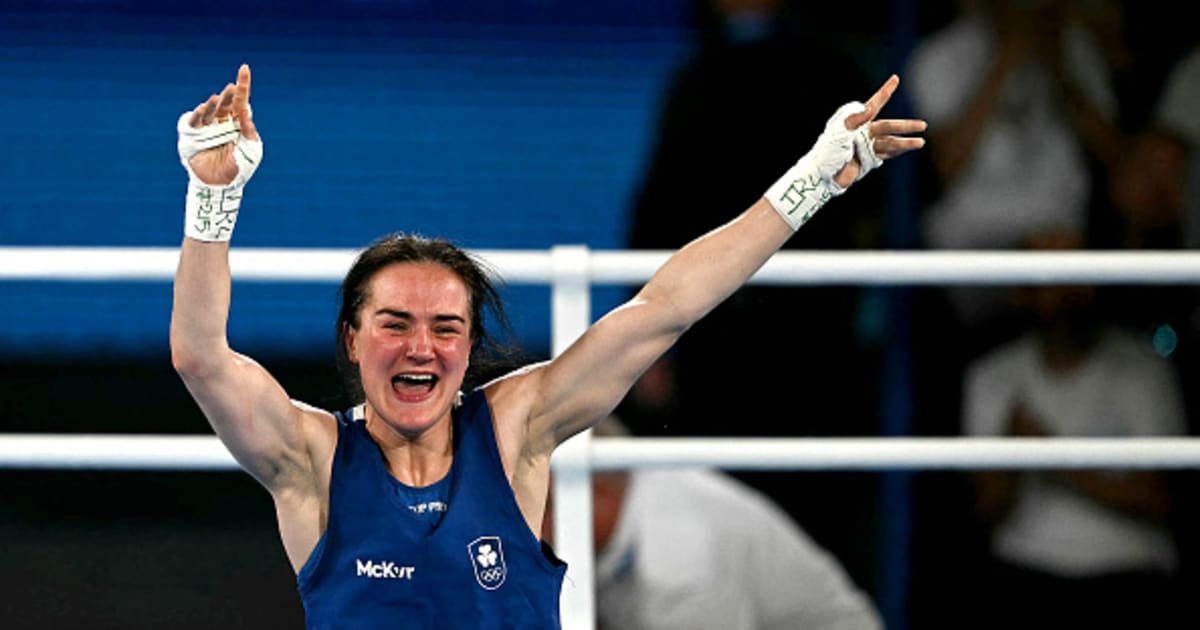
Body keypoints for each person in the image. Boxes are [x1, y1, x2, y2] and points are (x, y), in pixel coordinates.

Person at [169, 63, 924, 629]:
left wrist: (819, 177)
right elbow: (202, 356)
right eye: (395, 324)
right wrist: (214, 197)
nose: (421, 348)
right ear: (352, 339)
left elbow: (667, 307)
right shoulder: (310, 458)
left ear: (470, 347)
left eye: (447, 328)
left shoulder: (516, 427)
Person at [960, 228, 1187, 629]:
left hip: (1128, 575)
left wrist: (1051, 457)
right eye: (1050, 273)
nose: (1065, 286)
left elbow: (1161, 499)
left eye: (1075, 270)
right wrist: (1014, 453)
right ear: (1022, 290)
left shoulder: (1143, 371)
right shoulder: (992, 377)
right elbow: (984, 512)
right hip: (1025, 575)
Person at [542, 416, 884, 630]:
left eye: (544, 508)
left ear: (595, 492)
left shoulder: (681, 549)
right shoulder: (642, 511)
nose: (531, 528)